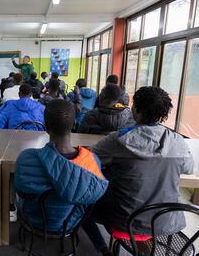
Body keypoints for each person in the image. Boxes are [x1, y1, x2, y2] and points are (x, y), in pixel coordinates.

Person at [83, 86, 194, 255]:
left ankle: (103, 249)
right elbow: (188, 167)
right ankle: (143, 247)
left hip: (126, 220)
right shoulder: (178, 142)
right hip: (166, 222)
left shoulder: (119, 140)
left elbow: (90, 158)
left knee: (83, 204)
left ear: (137, 109)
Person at [14, 99, 108, 233]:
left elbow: (22, 193)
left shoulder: (26, 158)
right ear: (74, 124)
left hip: (34, 219)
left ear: (46, 126)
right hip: (71, 223)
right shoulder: (92, 161)